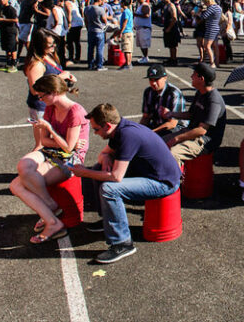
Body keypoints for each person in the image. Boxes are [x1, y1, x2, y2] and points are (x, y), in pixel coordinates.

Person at [71, 103, 181, 263]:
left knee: (109, 188)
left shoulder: (128, 135)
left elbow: (116, 177)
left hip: (164, 182)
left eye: (96, 129)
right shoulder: (120, 129)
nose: (94, 133)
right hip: (148, 173)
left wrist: (84, 172)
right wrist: (106, 158)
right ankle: (108, 220)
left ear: (107, 125)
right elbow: (102, 155)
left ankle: (122, 243)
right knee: (98, 168)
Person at [9, 75, 89, 244]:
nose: (40, 99)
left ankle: (51, 220)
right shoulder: (50, 107)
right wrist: (58, 139)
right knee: (23, 165)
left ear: (53, 92)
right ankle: (50, 206)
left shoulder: (75, 111)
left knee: (17, 185)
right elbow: (44, 141)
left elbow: (68, 148)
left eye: (42, 95)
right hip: (51, 151)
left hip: (70, 159)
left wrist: (50, 129)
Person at [162, 63, 227, 167]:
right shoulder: (200, 92)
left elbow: (202, 130)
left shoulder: (214, 100)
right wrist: (171, 114)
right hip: (192, 132)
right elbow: (191, 114)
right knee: (160, 143)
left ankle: (174, 182)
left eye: (194, 74)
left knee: (173, 154)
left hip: (204, 141)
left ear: (201, 79)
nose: (191, 76)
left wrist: (177, 138)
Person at [140, 64, 187, 138]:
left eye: (156, 79)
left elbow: (172, 124)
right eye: (151, 80)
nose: (153, 83)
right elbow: (146, 117)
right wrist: (139, 130)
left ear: (165, 78)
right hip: (157, 126)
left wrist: (151, 133)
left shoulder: (174, 94)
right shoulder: (148, 92)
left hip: (176, 128)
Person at [83, 0, 109, 71]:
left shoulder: (87, 8)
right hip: (99, 30)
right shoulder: (100, 9)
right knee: (99, 49)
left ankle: (90, 65)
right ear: (100, 0)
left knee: (90, 49)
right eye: (103, 0)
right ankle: (99, 65)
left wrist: (88, 28)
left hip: (90, 30)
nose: (103, 1)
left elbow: (86, 20)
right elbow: (104, 20)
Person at [0, 0, 19, 73]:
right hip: (3, 30)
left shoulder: (11, 9)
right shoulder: (2, 8)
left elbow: (15, 20)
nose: (1, 1)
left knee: (12, 48)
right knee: (7, 48)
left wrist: (2, 20)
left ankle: (14, 65)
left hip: (11, 30)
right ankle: (8, 64)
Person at [199, 0, 222, 65]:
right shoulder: (218, 7)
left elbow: (203, 17)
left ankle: (212, 63)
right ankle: (217, 62)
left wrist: (200, 12)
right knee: (215, 46)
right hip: (216, 27)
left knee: (207, 46)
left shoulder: (211, 8)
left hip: (210, 28)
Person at [63, 0, 84, 65]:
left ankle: (71, 57)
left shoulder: (67, 3)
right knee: (76, 41)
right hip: (79, 22)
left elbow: (69, 13)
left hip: (73, 23)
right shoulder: (74, 3)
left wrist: (69, 23)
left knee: (70, 41)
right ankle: (77, 57)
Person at [161, 0, 181, 67]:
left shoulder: (171, 6)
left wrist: (169, 28)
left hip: (172, 28)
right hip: (167, 27)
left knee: (173, 44)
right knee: (169, 44)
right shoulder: (166, 6)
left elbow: (174, 18)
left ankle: (174, 59)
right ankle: (171, 58)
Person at [133, 0, 152, 64]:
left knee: (144, 44)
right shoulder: (139, 6)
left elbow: (146, 15)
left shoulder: (145, 5)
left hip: (144, 28)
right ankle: (144, 57)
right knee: (140, 44)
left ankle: (146, 57)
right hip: (139, 28)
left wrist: (136, 15)